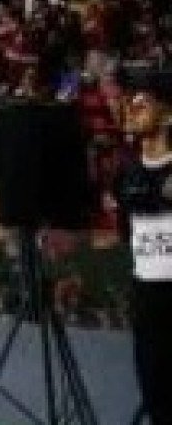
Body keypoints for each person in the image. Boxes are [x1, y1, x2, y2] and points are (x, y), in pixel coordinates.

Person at [115, 69, 170, 424]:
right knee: (154, 394)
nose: (132, 110)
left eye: (143, 104)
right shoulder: (126, 174)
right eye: (130, 104)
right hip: (146, 297)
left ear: (166, 115)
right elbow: (126, 232)